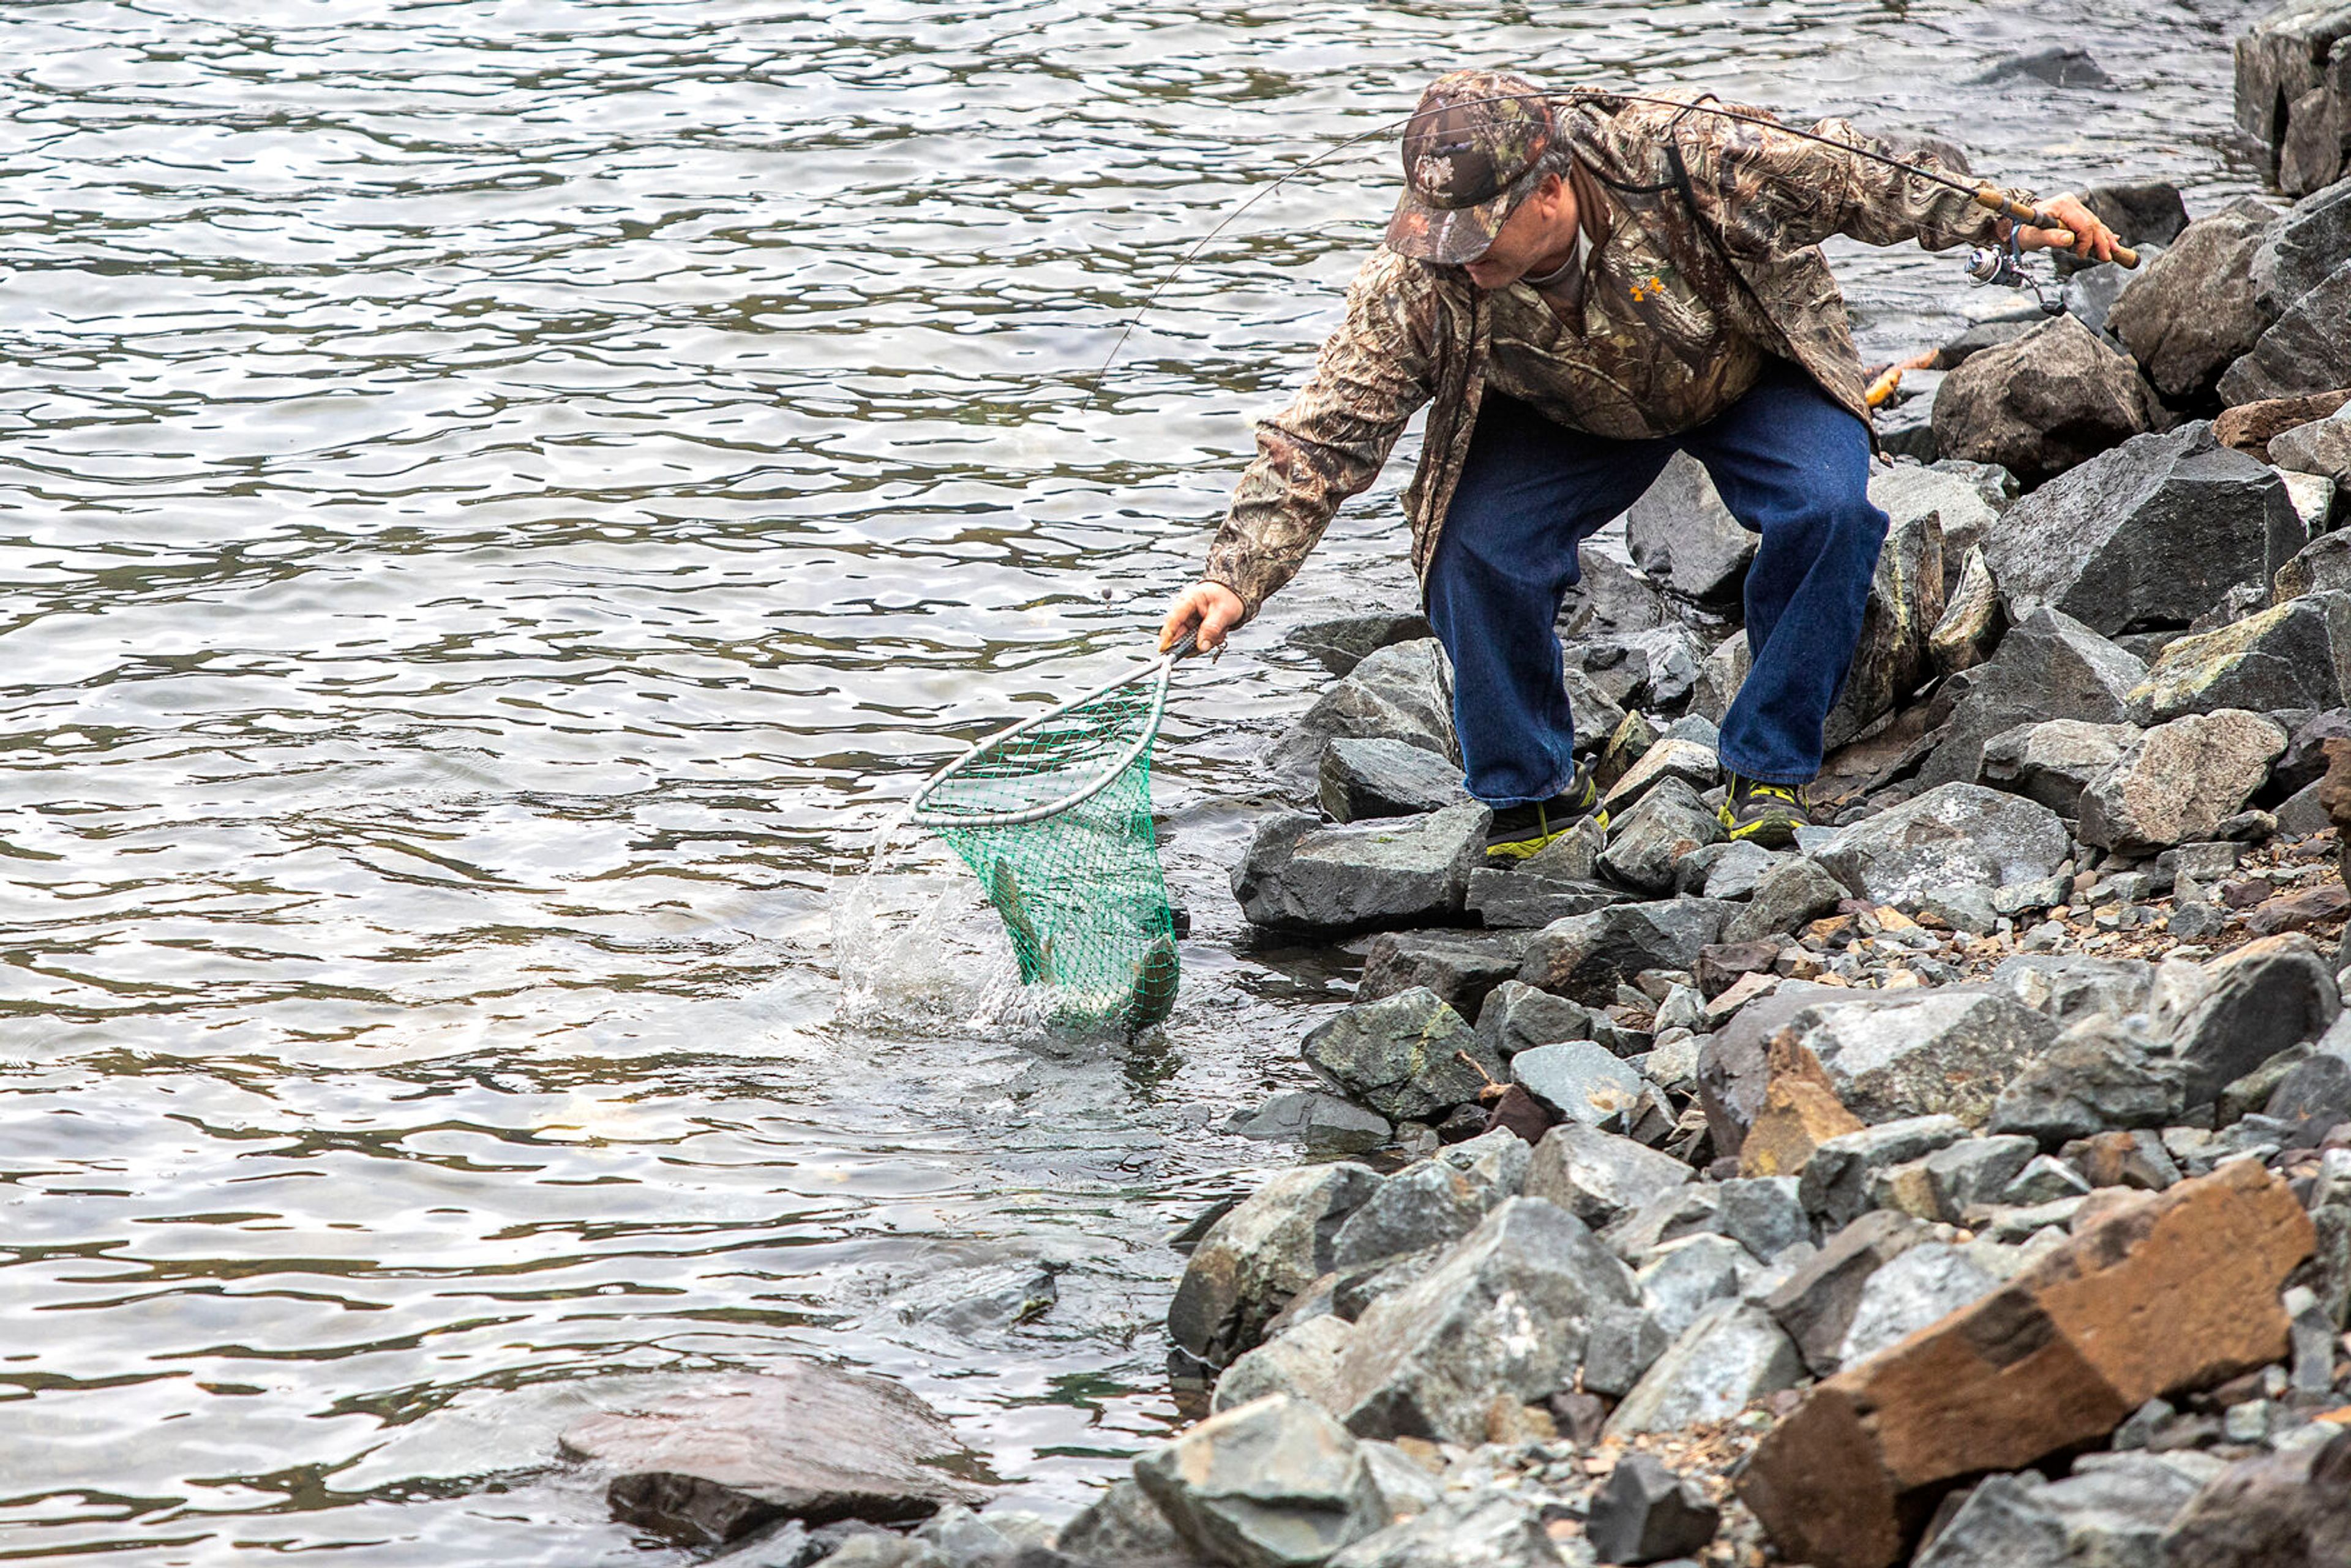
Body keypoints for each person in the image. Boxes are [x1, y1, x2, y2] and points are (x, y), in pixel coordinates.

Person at [1157, 70, 2120, 852]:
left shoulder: (1692, 156)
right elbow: (1326, 429)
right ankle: (1528, 796)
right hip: (1563, 417)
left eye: (1479, 232)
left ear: (1550, 188)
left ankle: (1768, 767)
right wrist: (1234, 577)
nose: (1457, 256)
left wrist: (2007, 216)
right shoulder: (1423, 279)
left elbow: (1857, 173)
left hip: (1748, 371)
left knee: (1830, 514)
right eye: (1440, 234)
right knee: (1471, 552)